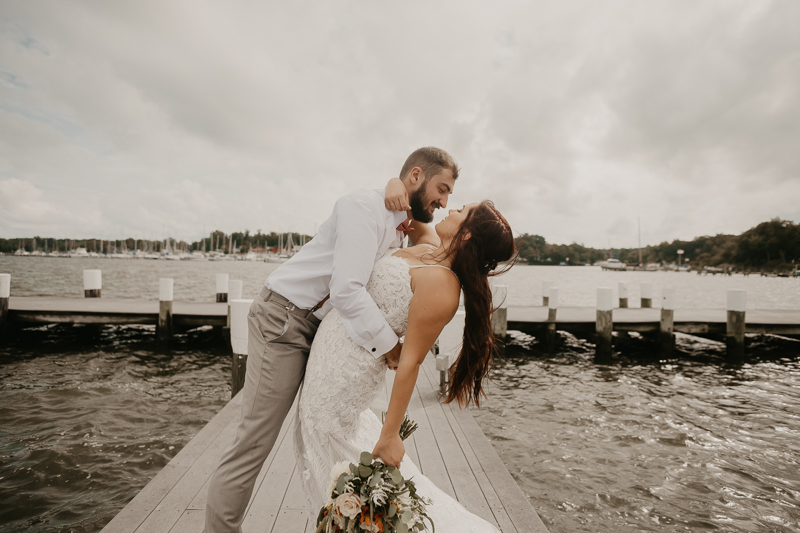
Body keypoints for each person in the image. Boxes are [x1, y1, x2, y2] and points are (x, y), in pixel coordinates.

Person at [204, 147, 459, 533]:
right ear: (417, 176)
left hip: (314, 329)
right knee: (253, 442)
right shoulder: (364, 207)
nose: (444, 201)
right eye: (442, 189)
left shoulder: (399, 226)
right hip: (284, 321)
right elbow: (346, 290)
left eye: (450, 196)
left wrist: (397, 190)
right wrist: (391, 346)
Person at [294, 200, 516, 532]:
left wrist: (390, 435)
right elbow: (407, 207)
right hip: (329, 361)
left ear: (467, 232)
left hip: (347, 378)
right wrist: (394, 185)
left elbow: (410, 361)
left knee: (334, 461)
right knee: (327, 456)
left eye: (461, 210)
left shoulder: (444, 286)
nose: (451, 207)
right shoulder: (427, 246)